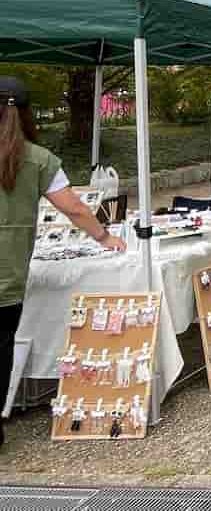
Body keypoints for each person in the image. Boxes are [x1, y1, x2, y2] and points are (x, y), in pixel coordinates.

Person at [0, 77, 126, 448]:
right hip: (7, 269)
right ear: (25, 114)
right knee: (1, 343)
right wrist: (105, 237)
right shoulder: (39, 159)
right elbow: (73, 207)